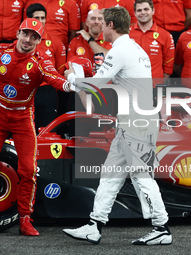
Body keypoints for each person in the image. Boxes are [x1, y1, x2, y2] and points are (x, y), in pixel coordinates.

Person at [62, 7, 172, 245]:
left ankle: (161, 227)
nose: (100, 26)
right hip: (134, 120)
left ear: (110, 25)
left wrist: (71, 78)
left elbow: (95, 86)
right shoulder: (132, 47)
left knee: (142, 176)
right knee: (110, 174)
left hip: (137, 122)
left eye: (102, 22)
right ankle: (95, 224)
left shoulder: (120, 50)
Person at [0, 18, 76, 237]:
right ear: (17, 33)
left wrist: (74, 84)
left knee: (29, 170)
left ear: (39, 41)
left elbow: (55, 79)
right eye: (26, 34)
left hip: (23, 116)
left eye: (34, 37)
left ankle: (25, 219)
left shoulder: (40, 60)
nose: (28, 40)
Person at [26, 3, 66, 131]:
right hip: (26, 90)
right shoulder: (21, 43)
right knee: (26, 131)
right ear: (29, 20)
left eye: (43, 18)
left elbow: (60, 70)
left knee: (47, 130)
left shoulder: (55, 42)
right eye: (37, 18)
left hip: (47, 91)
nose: (40, 21)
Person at [129, 0, 175, 86]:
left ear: (153, 11)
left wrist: (157, 84)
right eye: (139, 10)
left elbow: (168, 66)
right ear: (134, 13)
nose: (143, 13)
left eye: (146, 9)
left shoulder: (165, 35)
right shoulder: (126, 34)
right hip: (130, 86)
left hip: (154, 87)